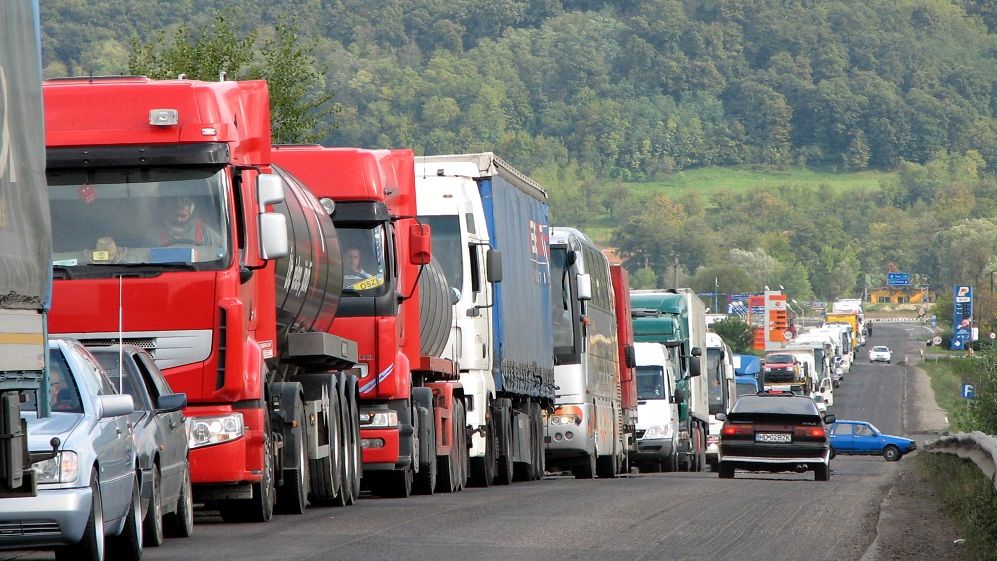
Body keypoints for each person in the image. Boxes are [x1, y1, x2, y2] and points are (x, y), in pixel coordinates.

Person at [157, 195, 223, 247]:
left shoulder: (204, 231)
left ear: (190, 214)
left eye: (183, 216)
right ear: (169, 212)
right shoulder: (155, 230)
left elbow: (222, 246)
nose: (178, 219)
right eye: (175, 215)